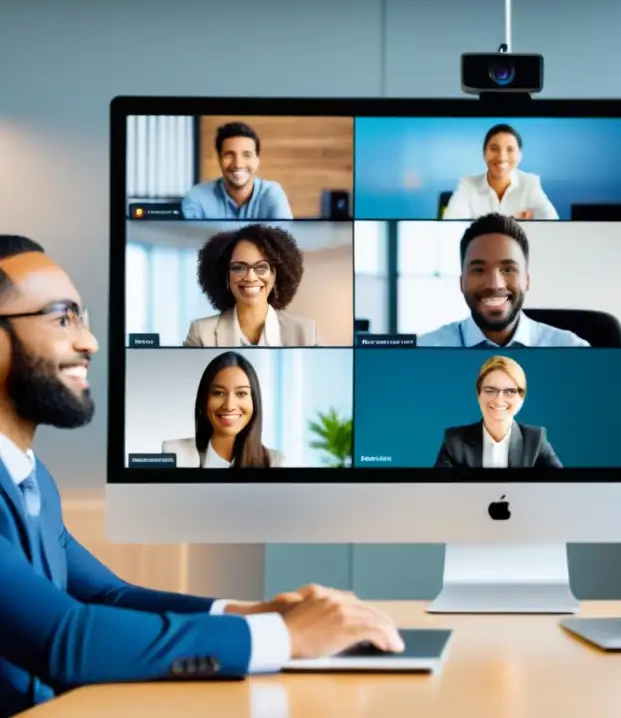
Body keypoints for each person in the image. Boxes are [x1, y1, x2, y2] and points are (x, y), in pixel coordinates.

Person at [0, 235, 401, 717]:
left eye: (81, 318)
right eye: (62, 317)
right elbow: (66, 639)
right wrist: (284, 636)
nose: (89, 341)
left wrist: (251, 613)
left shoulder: (30, 477)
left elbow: (110, 596)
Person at [417, 214, 588, 348]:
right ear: (461, 282)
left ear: (526, 280)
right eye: (478, 270)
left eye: (508, 269)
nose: (494, 284)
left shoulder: (574, 350)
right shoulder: (422, 351)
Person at [184, 224, 319, 347]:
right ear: (226, 275)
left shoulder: (305, 332)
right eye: (239, 268)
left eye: (261, 267)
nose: (250, 277)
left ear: (275, 274)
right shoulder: (201, 333)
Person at [434, 355, 562, 469]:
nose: (499, 400)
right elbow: (438, 490)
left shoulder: (536, 439)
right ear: (478, 395)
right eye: (490, 390)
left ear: (521, 398)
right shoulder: (454, 440)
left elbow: (562, 486)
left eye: (510, 392)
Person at [162, 351, 284, 468]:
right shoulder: (174, 452)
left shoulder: (275, 461)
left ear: (254, 401)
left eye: (241, 393)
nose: (229, 406)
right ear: (204, 399)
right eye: (219, 393)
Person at [442, 124, 558, 221]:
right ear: (484, 153)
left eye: (510, 149)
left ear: (520, 155)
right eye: (494, 148)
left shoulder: (529, 183)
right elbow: (450, 225)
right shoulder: (468, 184)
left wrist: (480, 224)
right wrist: (512, 219)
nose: (502, 157)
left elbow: (553, 223)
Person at [181, 122, 293, 220]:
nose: (238, 164)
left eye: (247, 155)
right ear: (219, 160)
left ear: (257, 161)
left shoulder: (272, 193)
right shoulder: (197, 197)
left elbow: (285, 241)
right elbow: (189, 242)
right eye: (229, 155)